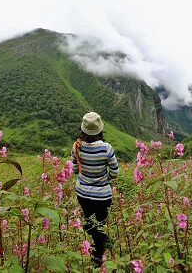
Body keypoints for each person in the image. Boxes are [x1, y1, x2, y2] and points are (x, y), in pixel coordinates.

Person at [71, 112, 119, 267]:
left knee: (89, 221)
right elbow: (115, 172)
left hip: (82, 193)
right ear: (100, 130)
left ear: (83, 130)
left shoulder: (77, 146)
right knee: (100, 223)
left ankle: (95, 245)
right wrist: (105, 178)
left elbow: (75, 170)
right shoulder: (106, 148)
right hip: (102, 195)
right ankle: (98, 255)